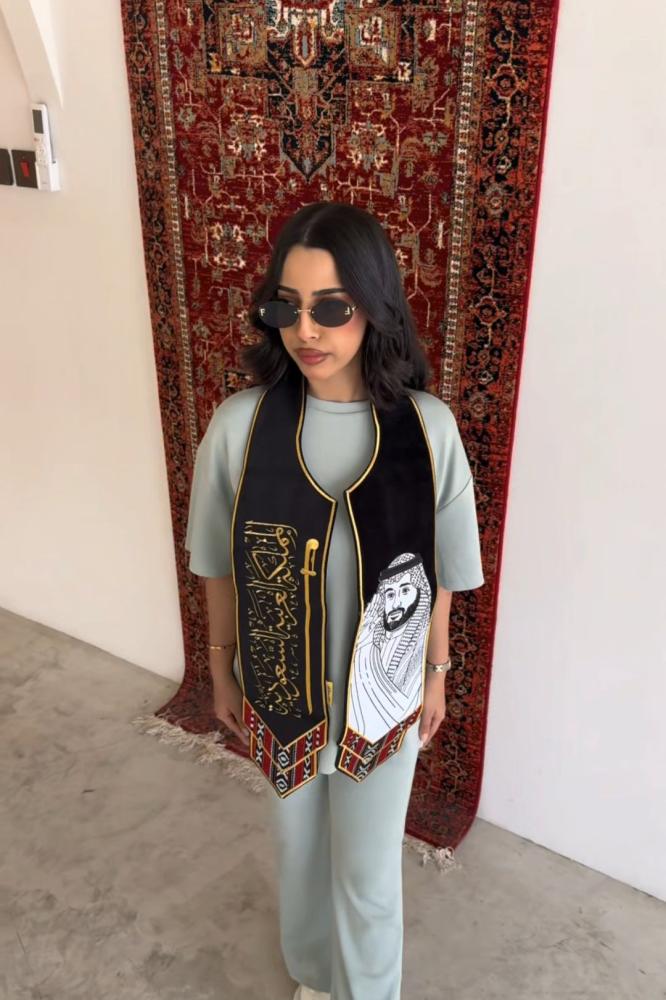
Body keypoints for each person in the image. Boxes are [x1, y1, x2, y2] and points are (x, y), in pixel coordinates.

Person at [184, 201, 485, 1000]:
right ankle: (314, 976)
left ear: (375, 307)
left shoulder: (428, 431)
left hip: (383, 701)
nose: (306, 331)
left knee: (368, 870)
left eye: (332, 308)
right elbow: (217, 564)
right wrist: (220, 667)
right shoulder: (240, 427)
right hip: (279, 693)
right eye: (287, 307)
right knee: (300, 854)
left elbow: (442, 571)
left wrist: (437, 672)